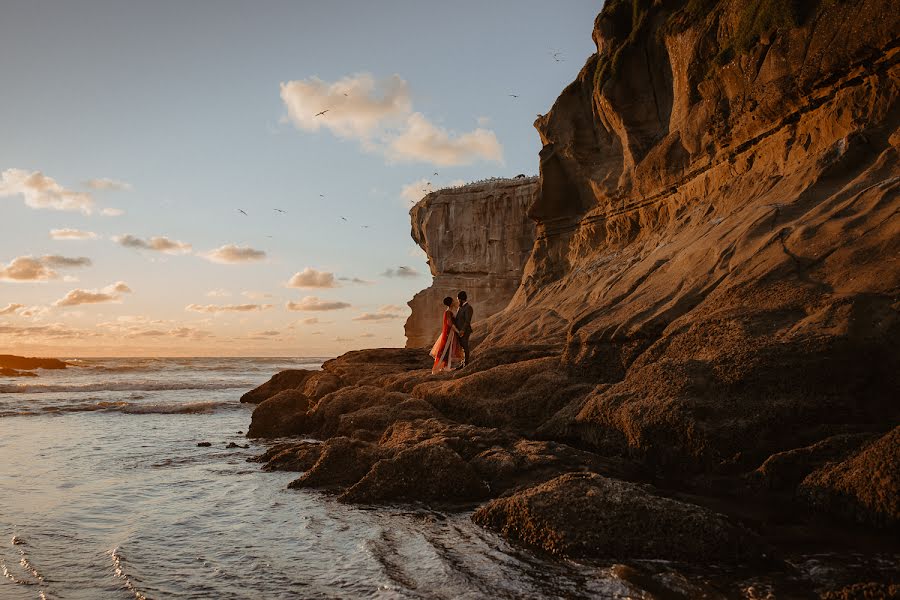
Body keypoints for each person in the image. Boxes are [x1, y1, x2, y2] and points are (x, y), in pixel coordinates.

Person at [429, 296, 464, 374]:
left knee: (448, 349)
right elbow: (450, 323)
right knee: (446, 349)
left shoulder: (450, 311)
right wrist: (458, 331)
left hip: (451, 332)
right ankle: (439, 368)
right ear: (451, 303)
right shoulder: (448, 312)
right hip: (450, 333)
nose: (455, 301)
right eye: (453, 300)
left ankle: (446, 367)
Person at [455, 290, 473, 367]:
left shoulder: (468, 308)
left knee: (465, 346)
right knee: (461, 347)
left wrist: (462, 330)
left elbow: (467, 321)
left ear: (461, 299)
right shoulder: (460, 308)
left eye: (458, 299)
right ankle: (462, 363)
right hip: (459, 331)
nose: (458, 301)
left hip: (465, 331)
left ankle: (466, 364)